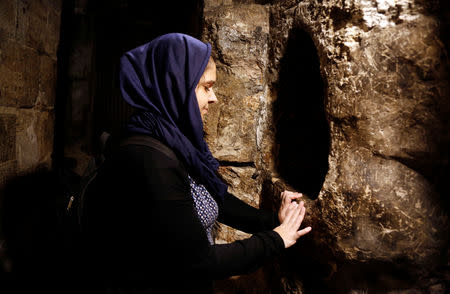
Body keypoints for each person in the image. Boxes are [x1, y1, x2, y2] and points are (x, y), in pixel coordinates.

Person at [82, 33, 311, 294]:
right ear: (175, 87)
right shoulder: (150, 160)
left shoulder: (172, 138)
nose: (213, 98)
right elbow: (199, 260)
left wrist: (271, 220)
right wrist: (276, 239)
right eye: (205, 87)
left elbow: (209, 198)